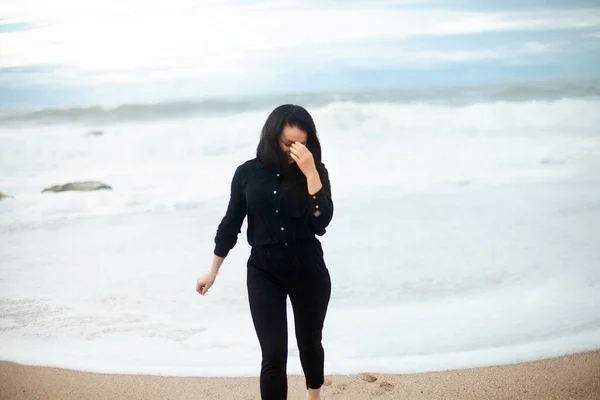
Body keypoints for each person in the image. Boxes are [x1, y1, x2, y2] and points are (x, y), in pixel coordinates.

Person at [196, 104, 334, 400]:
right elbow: (231, 222)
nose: (294, 150)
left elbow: (321, 222)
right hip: (264, 272)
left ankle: (314, 397)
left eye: (302, 144)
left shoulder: (315, 171)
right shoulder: (246, 173)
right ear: (272, 137)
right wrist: (213, 271)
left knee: (310, 342)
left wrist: (310, 173)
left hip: (307, 268)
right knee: (273, 354)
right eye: (288, 143)